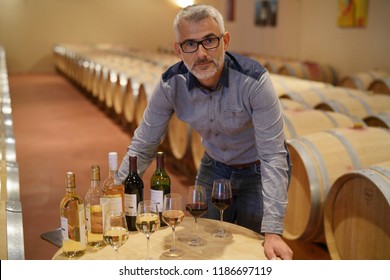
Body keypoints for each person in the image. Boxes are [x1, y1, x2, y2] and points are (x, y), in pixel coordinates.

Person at [118, 4, 293, 260]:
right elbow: (144, 143)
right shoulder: (170, 84)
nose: (201, 53)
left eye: (209, 40)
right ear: (178, 49)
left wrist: (274, 230)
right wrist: (115, 190)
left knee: (251, 249)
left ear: (225, 41)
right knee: (202, 239)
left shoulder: (254, 81)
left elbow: (273, 156)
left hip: (256, 171)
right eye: (190, 44)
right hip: (214, 166)